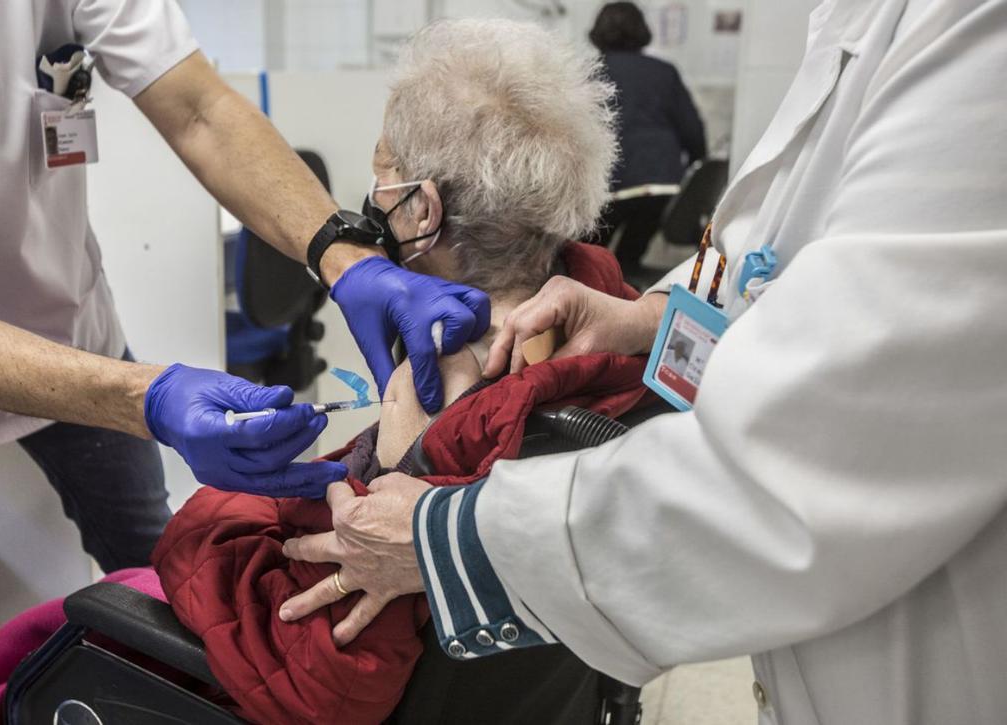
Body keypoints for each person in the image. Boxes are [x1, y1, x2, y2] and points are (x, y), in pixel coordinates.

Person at [281, 1, 1007, 723]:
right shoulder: (608, 328)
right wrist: (647, 319)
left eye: (383, 180)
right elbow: (773, 285)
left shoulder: (426, 390)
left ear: (420, 210)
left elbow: (324, 662)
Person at [0, 1, 488, 721]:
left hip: (68, 330)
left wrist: (341, 256)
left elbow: (198, 109)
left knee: (182, 565)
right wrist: (150, 397)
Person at [589, 1, 706, 280]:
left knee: (587, 259)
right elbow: (693, 132)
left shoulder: (591, 72)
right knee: (630, 257)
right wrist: (690, 175)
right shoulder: (664, 72)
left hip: (610, 185)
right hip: (661, 183)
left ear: (598, 32)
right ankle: (628, 301)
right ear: (642, 30)